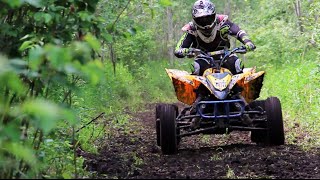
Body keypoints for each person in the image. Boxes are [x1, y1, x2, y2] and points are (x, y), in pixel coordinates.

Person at [174, 0, 256, 76]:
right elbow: (179, 47)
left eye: (208, 18)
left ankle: (241, 90)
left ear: (214, 15)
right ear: (195, 20)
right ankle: (197, 91)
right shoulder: (191, 29)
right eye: (201, 20)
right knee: (197, 68)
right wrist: (182, 51)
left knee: (236, 64)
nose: (205, 23)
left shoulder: (222, 22)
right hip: (203, 58)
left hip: (225, 55)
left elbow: (239, 32)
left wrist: (248, 42)